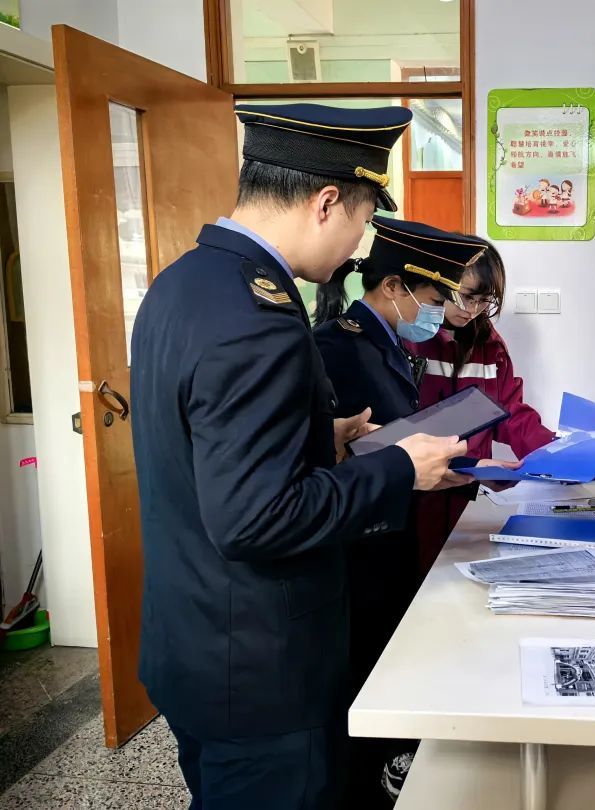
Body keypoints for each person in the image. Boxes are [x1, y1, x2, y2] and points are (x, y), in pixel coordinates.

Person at [130, 102, 467, 810]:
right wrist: (399, 468)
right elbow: (255, 518)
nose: (356, 248)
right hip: (262, 670)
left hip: (195, 642)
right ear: (326, 203)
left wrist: (321, 437)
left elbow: (203, 449)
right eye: (362, 221)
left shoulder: (183, 283)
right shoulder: (260, 320)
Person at [312, 218, 508, 806]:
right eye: (436, 299)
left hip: (389, 534)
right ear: (395, 287)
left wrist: (433, 467)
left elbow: (389, 442)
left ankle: (380, 774)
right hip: (358, 548)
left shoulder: (389, 343)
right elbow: (330, 460)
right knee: (360, 680)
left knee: (385, 666)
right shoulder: (337, 345)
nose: (442, 313)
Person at [407, 236, 555, 574]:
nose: (472, 310)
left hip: (467, 494)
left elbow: (509, 412)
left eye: (484, 301)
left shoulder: (490, 345)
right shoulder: (413, 338)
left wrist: (552, 452)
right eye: (466, 297)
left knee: (460, 577)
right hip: (419, 491)